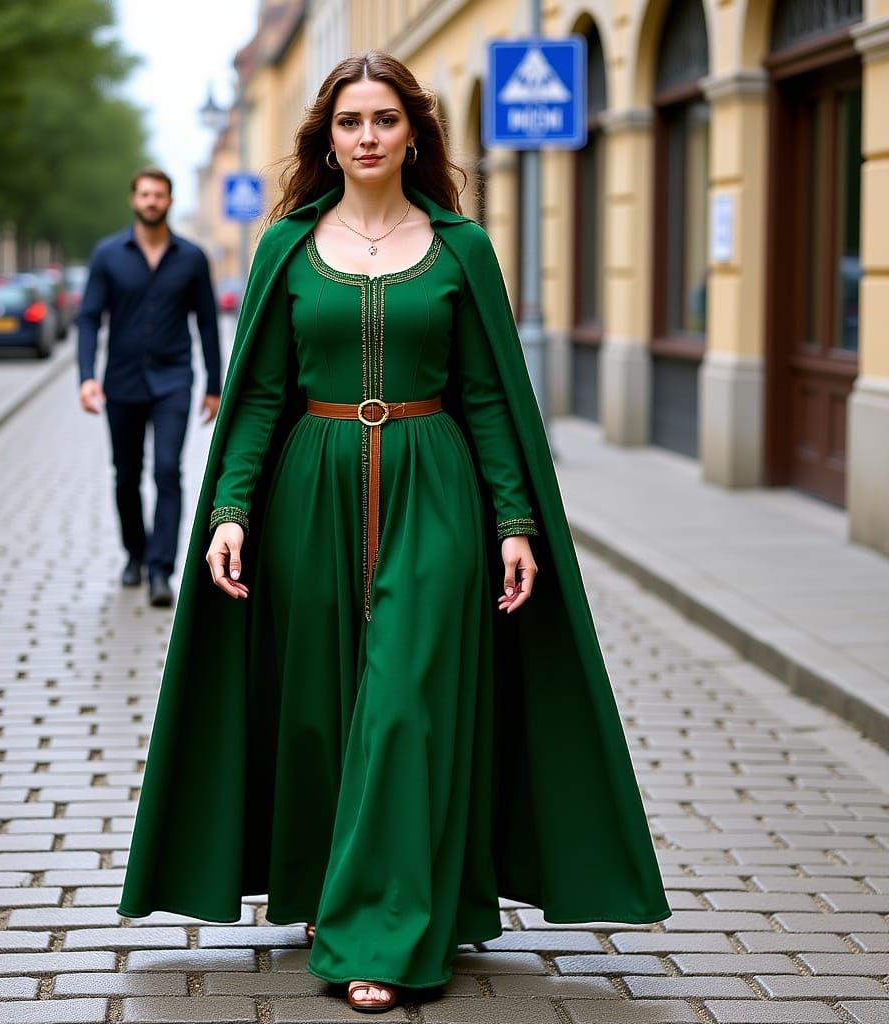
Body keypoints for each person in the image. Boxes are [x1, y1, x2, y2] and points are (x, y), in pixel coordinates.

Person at [118, 54, 669, 1012]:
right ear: (326, 138)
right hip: (311, 496)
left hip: (436, 488)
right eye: (347, 122)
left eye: (382, 119)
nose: (365, 137)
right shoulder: (288, 246)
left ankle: (380, 935)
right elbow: (254, 401)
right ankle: (366, 893)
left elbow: (493, 397)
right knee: (331, 715)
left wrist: (514, 522)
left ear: (413, 130)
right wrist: (230, 511)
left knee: (408, 709)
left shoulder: (461, 249)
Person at [77, 166, 222, 607]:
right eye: (145, 194)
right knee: (126, 475)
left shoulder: (192, 258)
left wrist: (215, 385)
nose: (152, 201)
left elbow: (208, 324)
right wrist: (86, 376)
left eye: (159, 195)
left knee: (166, 471)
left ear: (170, 201)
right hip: (120, 381)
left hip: (174, 379)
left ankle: (161, 571)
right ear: (133, 200)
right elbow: (88, 318)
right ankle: (133, 555)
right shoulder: (108, 255)